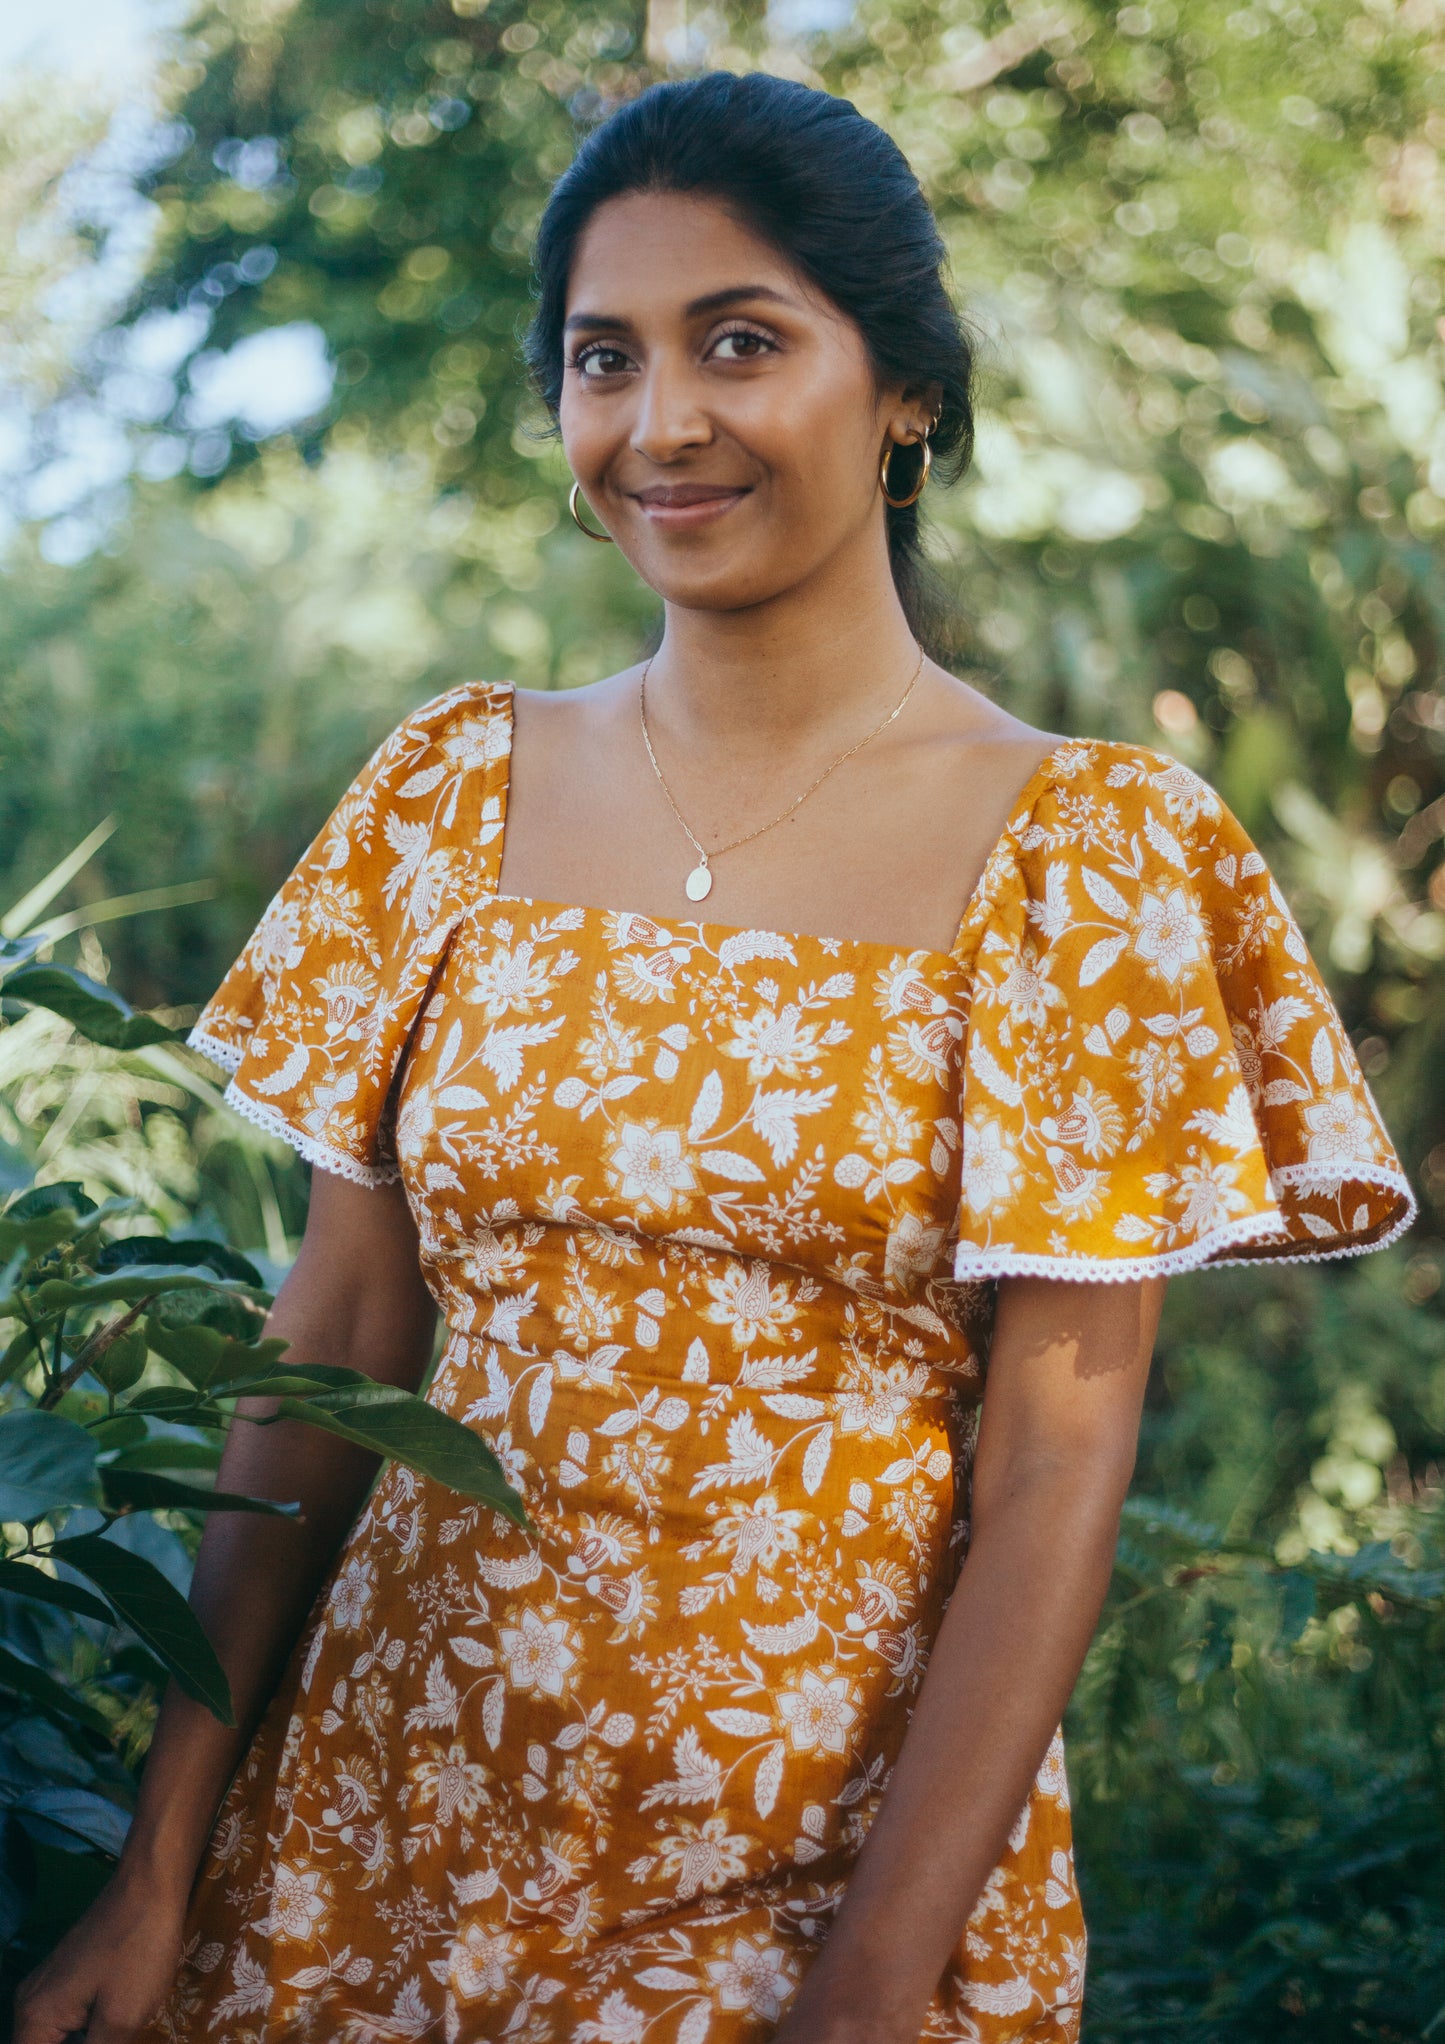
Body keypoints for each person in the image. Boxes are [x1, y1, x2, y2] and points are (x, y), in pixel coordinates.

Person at [18, 68, 1415, 2044]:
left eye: (738, 342)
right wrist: (156, 1861)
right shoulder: (450, 785)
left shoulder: (1090, 853)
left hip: (815, 1877)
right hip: (366, 1845)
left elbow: (1055, 1463)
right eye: (605, 357)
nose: (659, 421)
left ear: (904, 387)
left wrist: (865, 1985)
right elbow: (331, 1340)